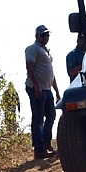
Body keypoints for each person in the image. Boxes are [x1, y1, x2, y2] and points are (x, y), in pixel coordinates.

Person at [25, 25, 60, 159]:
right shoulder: (32, 49)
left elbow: (51, 73)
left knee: (51, 115)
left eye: (47, 35)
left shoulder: (46, 51)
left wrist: (57, 91)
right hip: (37, 88)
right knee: (38, 117)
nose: (45, 37)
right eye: (43, 35)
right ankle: (39, 148)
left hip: (47, 88)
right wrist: (36, 86)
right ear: (37, 36)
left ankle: (46, 144)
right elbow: (29, 67)